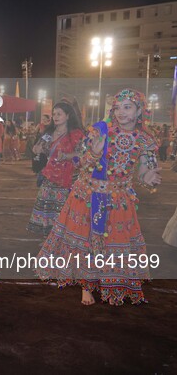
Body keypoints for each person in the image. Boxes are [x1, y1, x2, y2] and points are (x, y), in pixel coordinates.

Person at [36, 89, 161, 306]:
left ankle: (112, 283)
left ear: (140, 111)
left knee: (113, 242)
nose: (121, 112)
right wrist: (94, 153)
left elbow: (143, 171)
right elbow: (82, 161)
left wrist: (147, 177)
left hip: (119, 198)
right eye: (118, 107)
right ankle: (86, 286)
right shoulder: (99, 131)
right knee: (87, 241)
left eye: (128, 107)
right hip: (88, 194)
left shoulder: (145, 140)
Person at [27, 101, 85, 236]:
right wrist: (37, 149)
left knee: (66, 211)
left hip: (70, 179)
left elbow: (84, 153)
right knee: (48, 211)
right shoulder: (49, 132)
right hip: (50, 177)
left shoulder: (76, 134)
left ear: (68, 116)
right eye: (54, 114)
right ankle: (50, 241)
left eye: (59, 114)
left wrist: (67, 155)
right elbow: (37, 148)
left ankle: (63, 241)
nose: (55, 117)